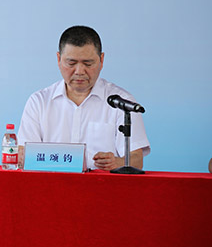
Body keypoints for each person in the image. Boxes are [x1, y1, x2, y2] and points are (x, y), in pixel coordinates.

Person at [18, 26, 150, 171]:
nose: (79, 71)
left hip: (102, 183)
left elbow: (137, 159)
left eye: (88, 63)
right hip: (51, 182)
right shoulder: (39, 102)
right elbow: (23, 154)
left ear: (101, 60)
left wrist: (117, 162)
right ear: (59, 59)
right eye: (71, 63)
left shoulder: (121, 102)